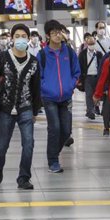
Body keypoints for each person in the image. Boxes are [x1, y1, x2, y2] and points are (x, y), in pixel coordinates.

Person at [0, 24, 41, 190]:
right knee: (1, 144)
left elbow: (36, 87)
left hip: (26, 107)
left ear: (28, 38)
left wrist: (35, 110)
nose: (21, 39)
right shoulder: (2, 57)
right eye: (17, 36)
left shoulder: (34, 61)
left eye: (24, 36)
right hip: (5, 107)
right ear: (12, 38)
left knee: (29, 143)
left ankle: (24, 177)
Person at [38, 19, 80, 173]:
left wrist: (71, 84)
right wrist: (45, 88)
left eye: (59, 31)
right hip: (49, 98)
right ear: (48, 35)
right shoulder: (42, 54)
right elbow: (38, 76)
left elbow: (76, 71)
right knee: (54, 128)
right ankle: (53, 160)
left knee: (66, 130)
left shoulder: (68, 52)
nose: (57, 35)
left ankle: (53, 153)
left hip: (66, 97)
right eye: (53, 32)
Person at [79, 33, 100, 120]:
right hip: (87, 77)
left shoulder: (99, 54)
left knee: (96, 94)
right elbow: (80, 66)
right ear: (87, 44)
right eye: (90, 44)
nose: (92, 45)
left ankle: (95, 108)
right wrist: (80, 79)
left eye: (93, 44)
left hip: (97, 76)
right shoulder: (82, 54)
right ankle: (90, 111)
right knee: (88, 94)